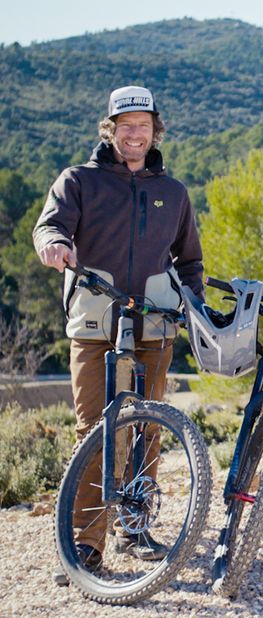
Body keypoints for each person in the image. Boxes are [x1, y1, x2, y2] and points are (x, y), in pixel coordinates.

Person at [34, 86, 204, 570]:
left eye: (143, 126)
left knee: (148, 424)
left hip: (154, 324)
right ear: (110, 129)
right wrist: (53, 243)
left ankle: (135, 526)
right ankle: (85, 545)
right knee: (95, 429)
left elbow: (190, 261)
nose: (135, 134)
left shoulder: (173, 193)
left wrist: (193, 306)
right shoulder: (79, 181)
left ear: (155, 132)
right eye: (125, 125)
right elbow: (50, 226)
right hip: (94, 322)